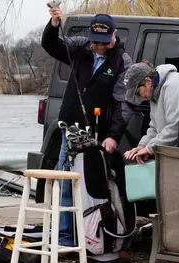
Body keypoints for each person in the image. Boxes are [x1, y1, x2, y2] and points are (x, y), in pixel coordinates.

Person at [42, 8, 134, 247]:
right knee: (65, 182)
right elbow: (51, 45)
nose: (99, 47)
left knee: (93, 186)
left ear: (113, 37)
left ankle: (92, 235)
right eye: (96, 42)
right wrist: (53, 24)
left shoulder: (122, 61)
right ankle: (65, 237)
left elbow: (123, 102)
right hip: (70, 128)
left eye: (104, 43)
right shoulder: (80, 47)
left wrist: (114, 136)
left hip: (98, 134)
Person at [123, 61, 179, 163]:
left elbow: (175, 127)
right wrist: (142, 146)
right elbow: (155, 128)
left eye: (137, 92)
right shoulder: (153, 91)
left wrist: (149, 149)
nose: (139, 97)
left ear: (148, 81)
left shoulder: (173, 85)